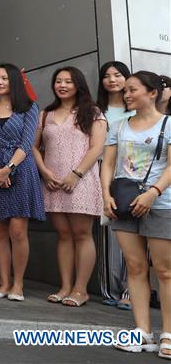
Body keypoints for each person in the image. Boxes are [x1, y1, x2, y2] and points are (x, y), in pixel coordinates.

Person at [101, 71, 170, 356]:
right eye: (126, 90)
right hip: (125, 202)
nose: (127, 95)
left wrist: (153, 192)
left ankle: (168, 333)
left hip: (162, 203)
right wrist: (105, 195)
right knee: (136, 267)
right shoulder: (118, 126)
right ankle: (143, 331)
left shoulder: (168, 124)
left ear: (152, 93)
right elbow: (108, 164)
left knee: (165, 271)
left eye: (133, 90)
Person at [34, 66, 106, 308]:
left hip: (81, 181)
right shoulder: (46, 114)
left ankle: (80, 289)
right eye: (58, 81)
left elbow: (97, 148)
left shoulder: (92, 112)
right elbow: (34, 147)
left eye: (68, 81)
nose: (62, 85)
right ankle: (64, 286)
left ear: (78, 84)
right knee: (63, 235)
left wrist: (76, 174)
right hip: (53, 182)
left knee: (82, 234)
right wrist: (44, 172)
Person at [0, 63, 43, 302]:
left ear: (13, 80)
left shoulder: (29, 107)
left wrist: (8, 169)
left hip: (20, 170)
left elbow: (27, 144)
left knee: (17, 230)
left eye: (4, 78)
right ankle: (4, 282)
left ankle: (18, 284)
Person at [95, 60, 135, 309]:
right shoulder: (97, 110)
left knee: (134, 234)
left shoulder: (139, 109)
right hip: (104, 172)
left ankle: (131, 292)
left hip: (134, 175)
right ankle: (109, 290)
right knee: (107, 233)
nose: (112, 80)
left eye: (118, 75)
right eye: (107, 76)